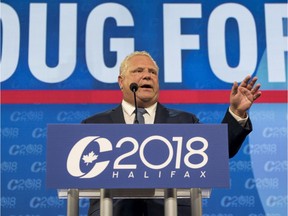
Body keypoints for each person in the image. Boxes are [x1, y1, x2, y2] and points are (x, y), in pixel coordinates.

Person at [82, 51, 262, 216]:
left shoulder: (184, 122)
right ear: (121, 81)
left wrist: (236, 113)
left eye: (152, 72)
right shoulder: (94, 125)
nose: (147, 75)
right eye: (138, 70)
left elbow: (217, 152)